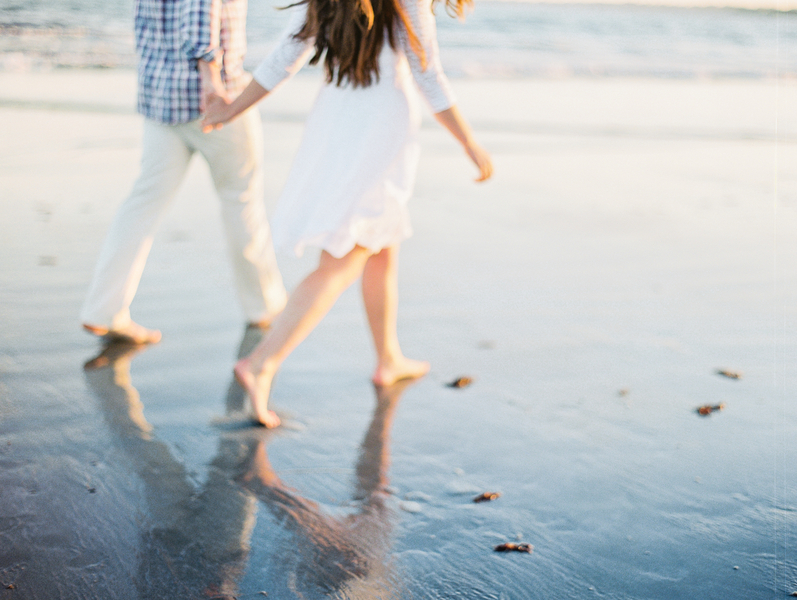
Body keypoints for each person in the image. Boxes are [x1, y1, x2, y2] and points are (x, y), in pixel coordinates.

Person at [203, 0, 493, 427]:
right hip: (379, 128)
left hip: (336, 121)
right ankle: (262, 362)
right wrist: (471, 144)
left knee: (381, 246)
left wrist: (233, 108)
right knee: (345, 258)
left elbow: (286, 55)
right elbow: (428, 74)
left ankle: (388, 357)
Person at [80, 0, 288, 345]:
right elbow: (199, 14)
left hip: (160, 98)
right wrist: (210, 80)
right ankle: (263, 306)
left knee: (143, 202)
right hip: (216, 101)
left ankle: (103, 309)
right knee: (241, 199)